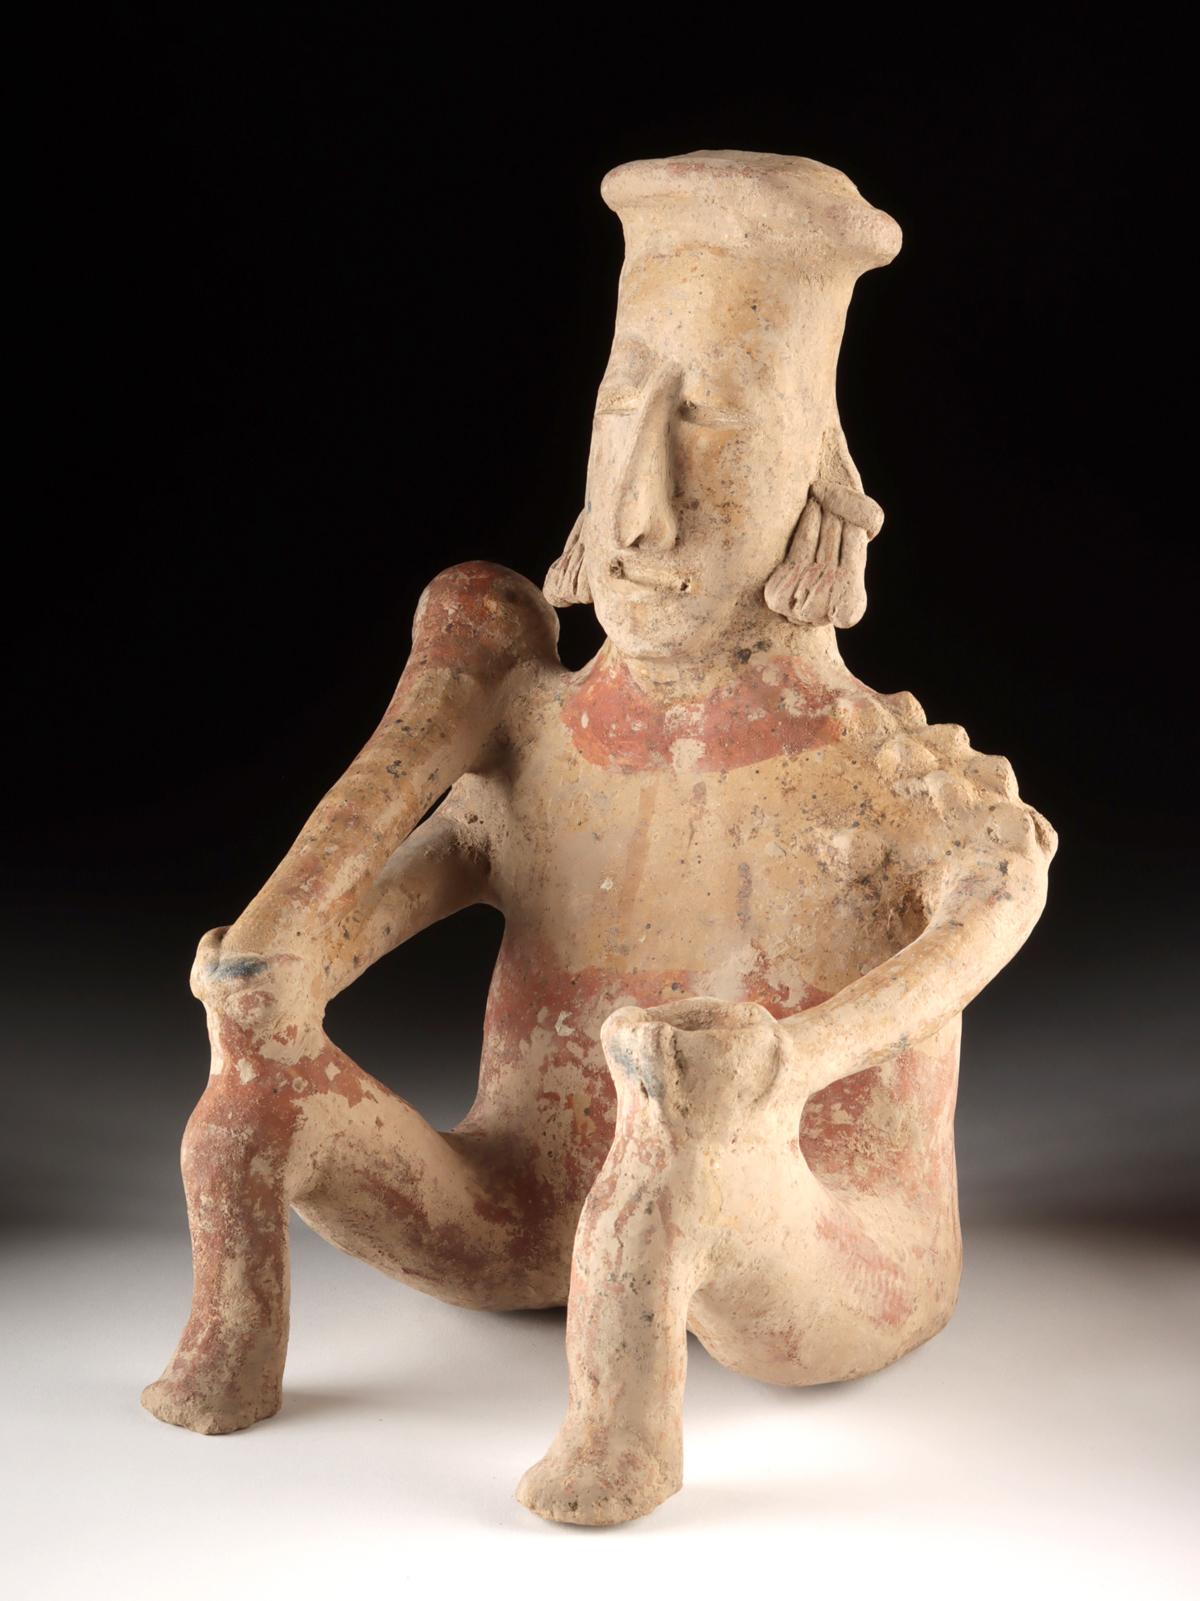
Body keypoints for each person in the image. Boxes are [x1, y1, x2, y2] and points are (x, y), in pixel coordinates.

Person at [142, 152, 1055, 1526]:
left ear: (821, 484)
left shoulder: (891, 778)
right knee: (252, 1093)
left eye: (709, 426)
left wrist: (779, 1064)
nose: (640, 508)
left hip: (828, 1252)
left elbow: (997, 902)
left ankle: (623, 1443)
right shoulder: (548, 743)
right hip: (528, 1205)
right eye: (618, 414)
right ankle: (226, 1358)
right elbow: (360, 912)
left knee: (687, 1135)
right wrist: (270, 982)